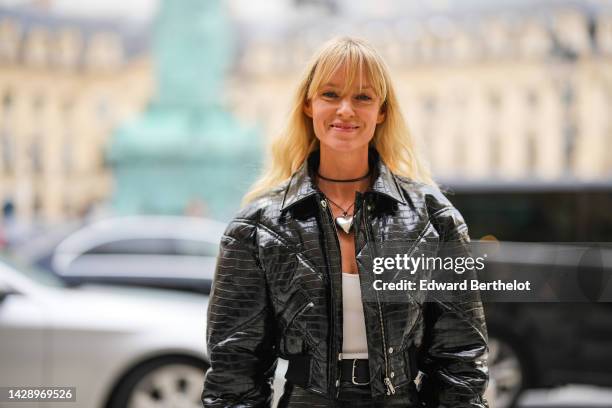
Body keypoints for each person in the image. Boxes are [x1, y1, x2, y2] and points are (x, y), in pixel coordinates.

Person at [202, 37, 489, 407]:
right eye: (331, 94)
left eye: (363, 97)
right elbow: (234, 369)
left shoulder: (434, 219)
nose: (345, 110)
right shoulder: (257, 228)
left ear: (382, 111)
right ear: (308, 104)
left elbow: (461, 358)